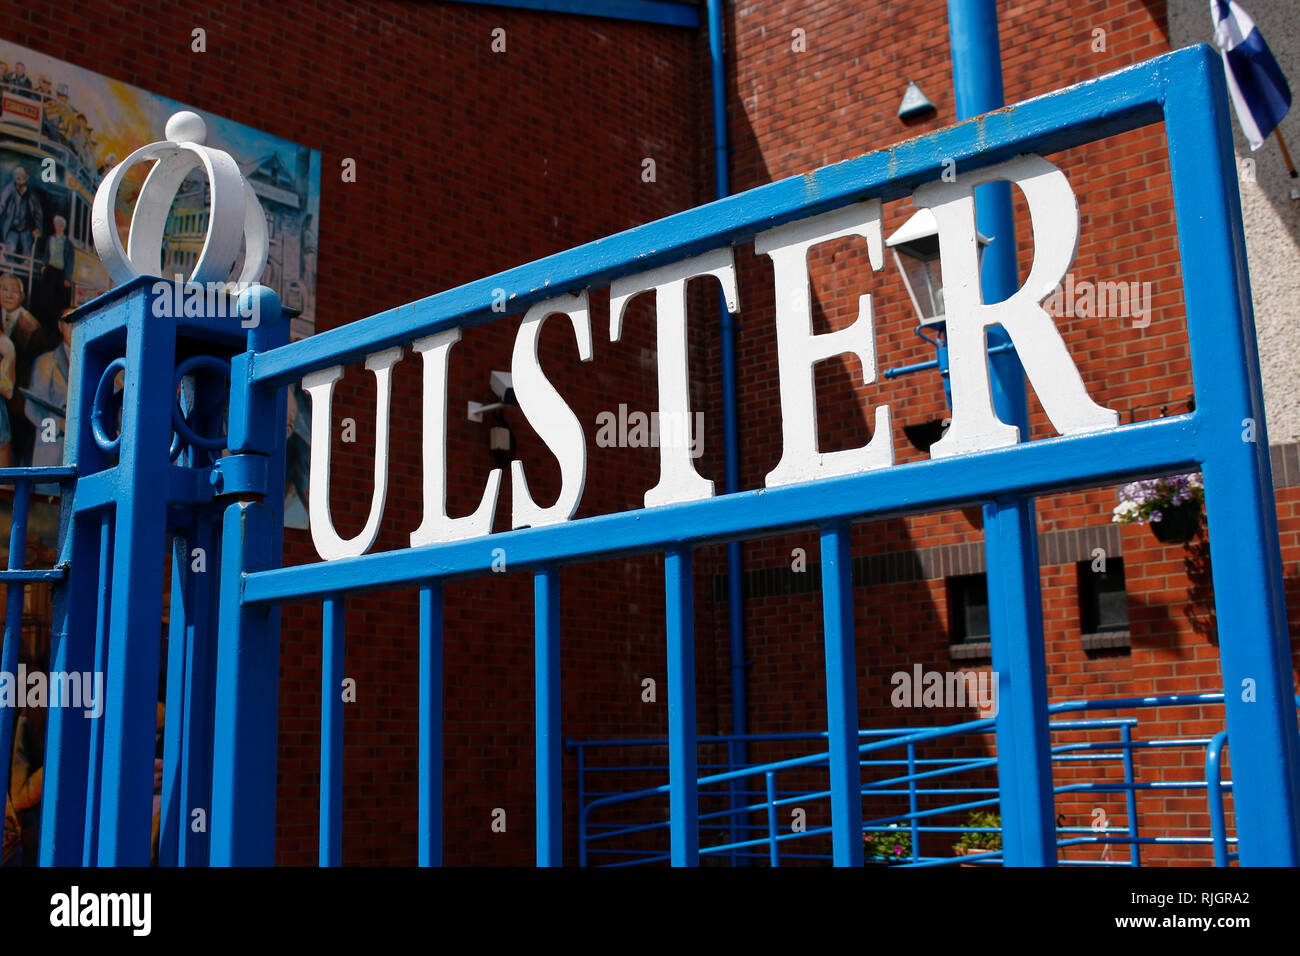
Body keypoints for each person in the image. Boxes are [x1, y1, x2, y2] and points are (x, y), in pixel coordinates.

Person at [1, 273, 42, 463]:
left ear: (22, 296)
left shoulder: (32, 328)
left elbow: (34, 371)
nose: (8, 296)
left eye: (14, 291)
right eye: (4, 290)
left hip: (18, 404)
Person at [25, 309, 70, 469]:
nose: (72, 328)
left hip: (81, 459)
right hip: (50, 453)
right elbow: (33, 408)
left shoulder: (94, 363)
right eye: (68, 322)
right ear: (60, 326)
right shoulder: (45, 363)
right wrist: (57, 426)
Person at [33, 215, 73, 340]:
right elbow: (46, 253)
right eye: (55, 225)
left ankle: (55, 330)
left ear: (63, 227)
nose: (57, 227)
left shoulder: (67, 242)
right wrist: (44, 265)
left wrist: (67, 277)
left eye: (59, 225)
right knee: (46, 297)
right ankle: (45, 324)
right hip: (50, 271)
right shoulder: (50, 239)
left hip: (60, 273)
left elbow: (69, 260)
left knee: (58, 300)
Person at [0, 166, 42, 259]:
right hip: (12, 228)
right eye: (17, 175)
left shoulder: (31, 193)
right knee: (9, 253)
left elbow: (37, 212)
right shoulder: (9, 189)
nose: (18, 178)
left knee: (27, 256)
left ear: (26, 177)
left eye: (21, 176)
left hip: (26, 229)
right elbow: (1, 204)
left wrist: (38, 228)